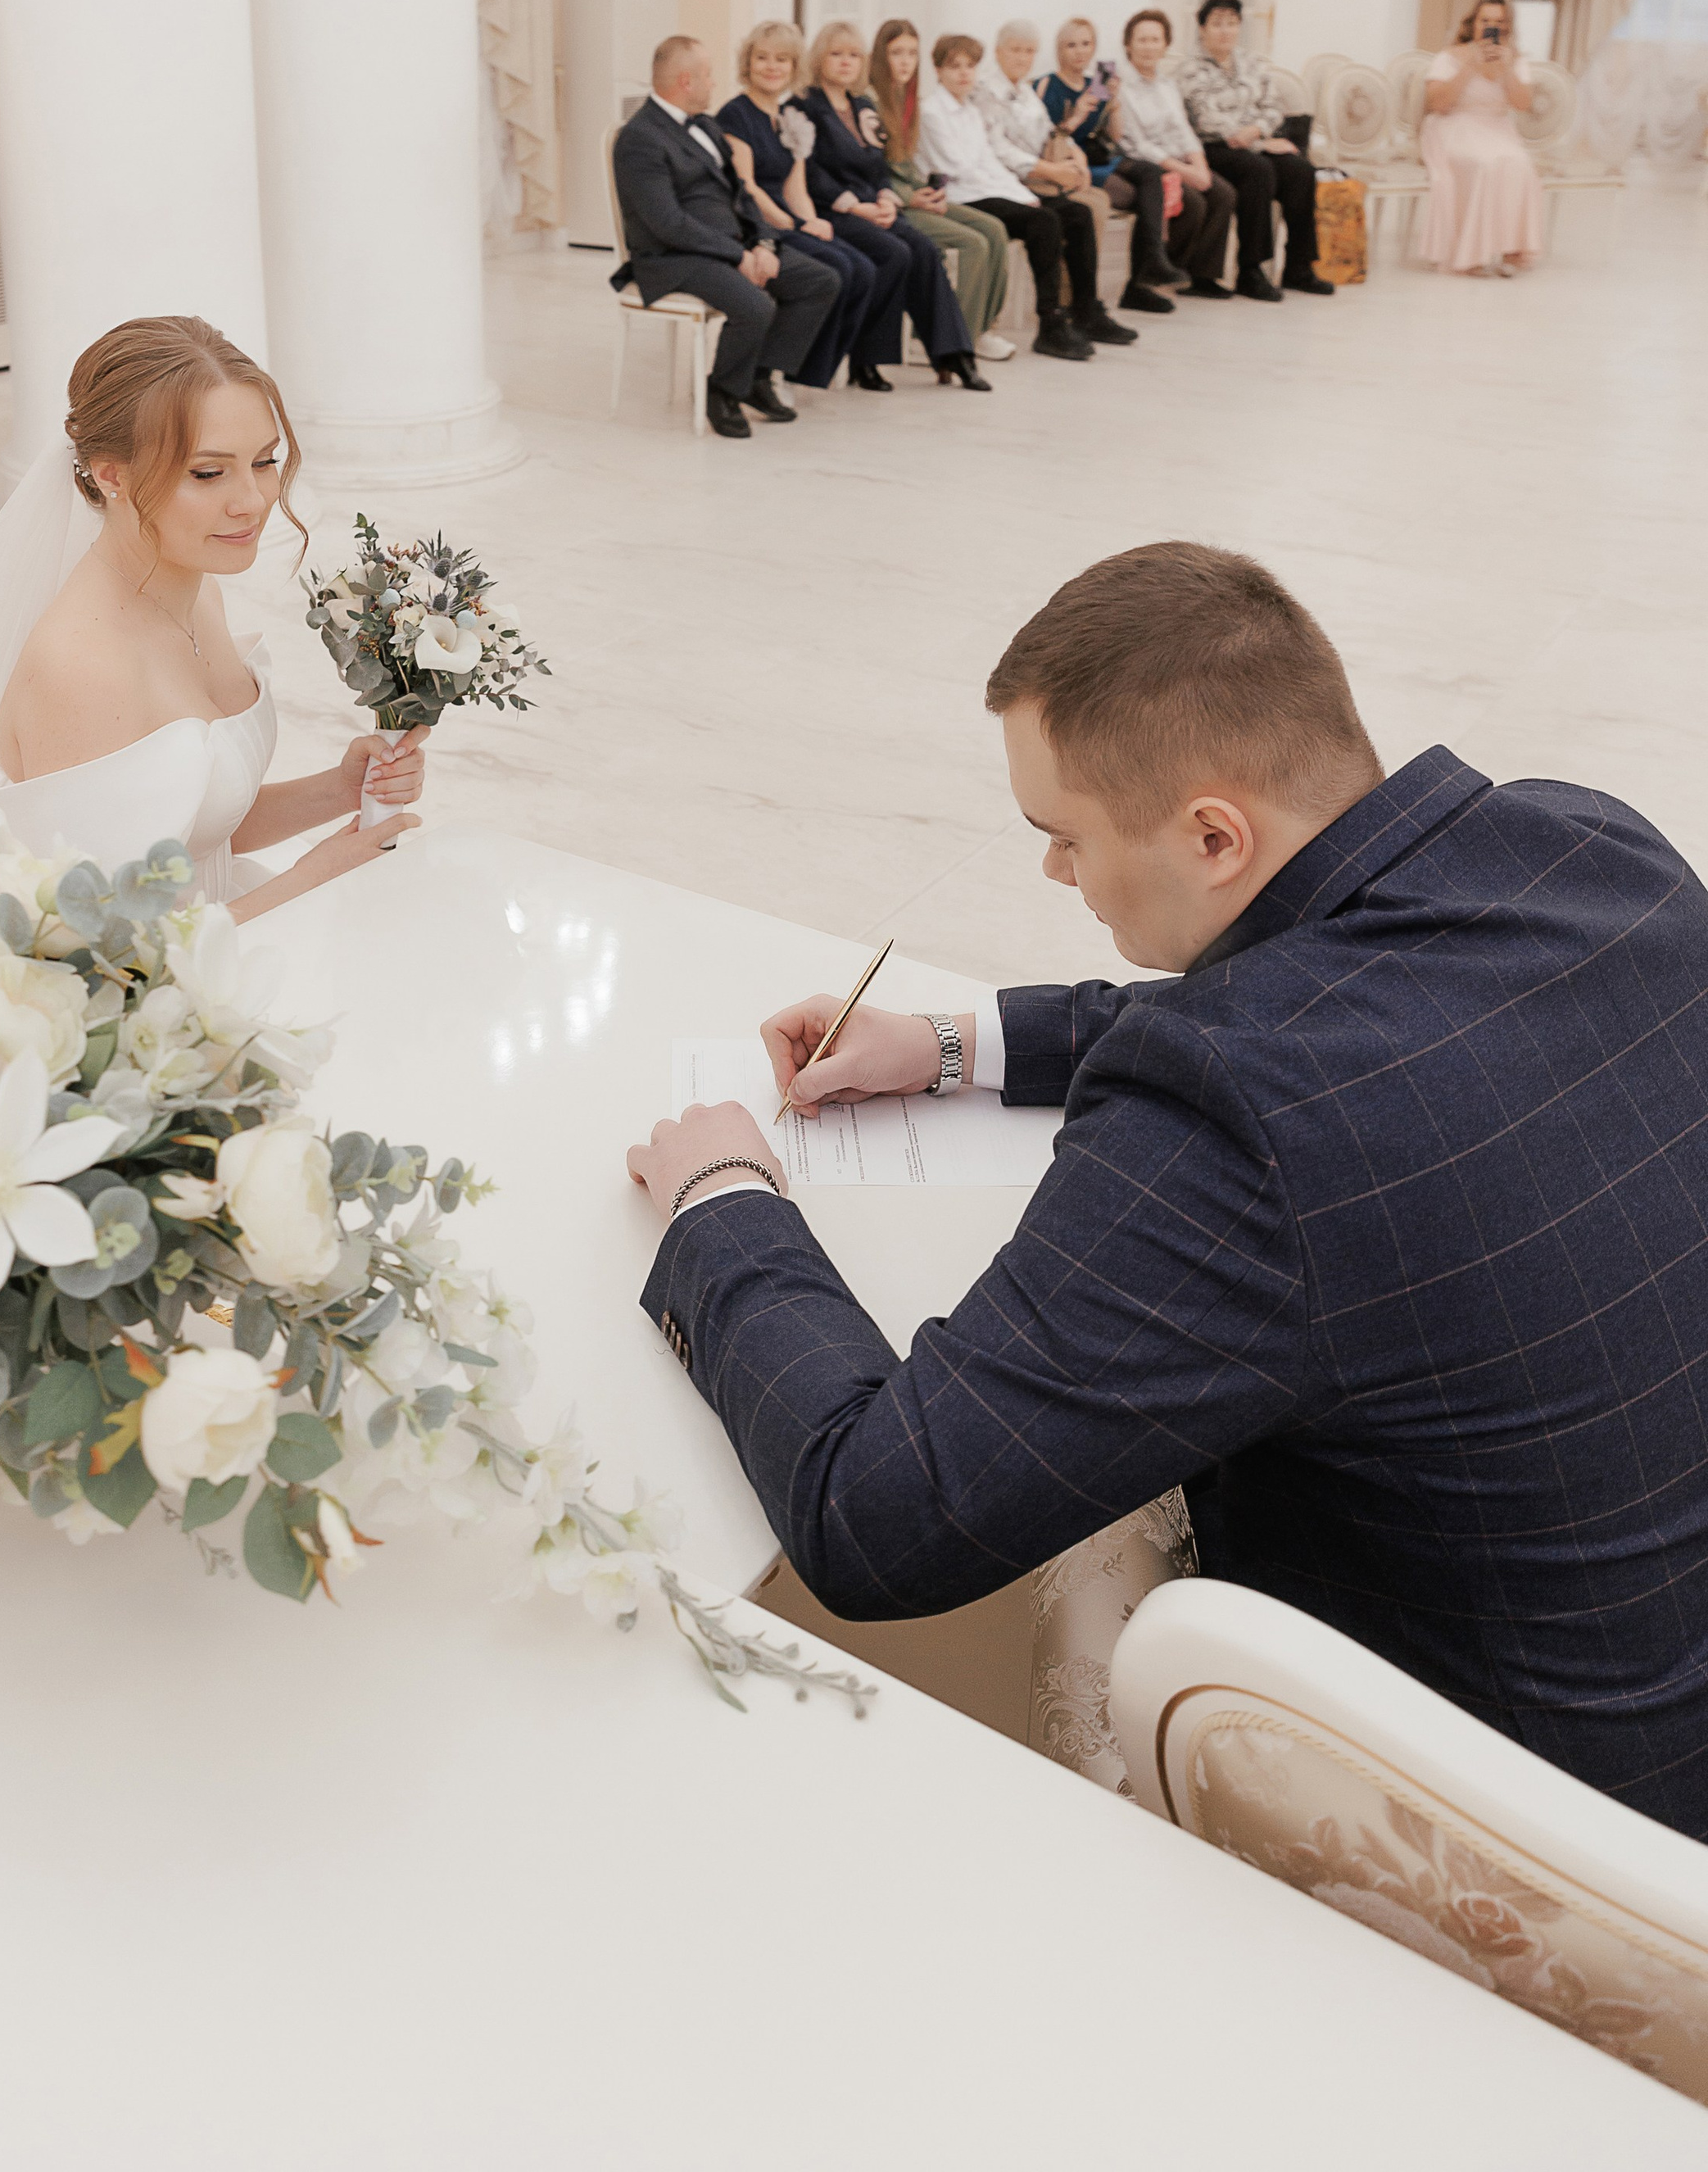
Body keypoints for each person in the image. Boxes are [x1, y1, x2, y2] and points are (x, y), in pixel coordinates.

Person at [627, 540, 1708, 1839]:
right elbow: (1353, 1007)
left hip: (1536, 1812)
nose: (1055, 875)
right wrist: (960, 1044)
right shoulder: (1587, 851)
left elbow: (876, 1520)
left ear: (1211, 834)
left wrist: (725, 1198)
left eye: (1064, 836)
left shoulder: (1231, 1120)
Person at [0, 315, 424, 915]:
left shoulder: (198, 596)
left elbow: (184, 837)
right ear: (111, 475)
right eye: (207, 472)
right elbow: (110, 949)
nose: (252, 501)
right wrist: (312, 876)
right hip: (164, 980)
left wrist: (337, 790)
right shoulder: (82, 670)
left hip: (224, 921)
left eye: (263, 461)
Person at [609, 34, 838, 438]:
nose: (715, 84)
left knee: (819, 280)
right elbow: (668, 224)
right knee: (755, 306)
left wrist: (763, 243)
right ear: (685, 81)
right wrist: (737, 256)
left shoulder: (707, 126)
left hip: (728, 245)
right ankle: (722, 391)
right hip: (673, 257)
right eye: (708, 75)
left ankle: (755, 376)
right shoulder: (640, 138)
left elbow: (742, 195)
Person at [916, 36, 1136, 362]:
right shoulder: (933, 112)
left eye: (970, 66)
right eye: (954, 67)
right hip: (962, 197)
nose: (964, 74)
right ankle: (1050, 322)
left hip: (992, 188)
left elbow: (988, 160)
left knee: (1077, 214)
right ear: (937, 70)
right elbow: (960, 168)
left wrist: (1021, 195)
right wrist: (1019, 197)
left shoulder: (969, 110)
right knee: (1043, 221)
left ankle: (1087, 309)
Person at [799, 20, 987, 392]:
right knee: (895, 253)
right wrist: (856, 206)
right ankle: (866, 358)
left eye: (853, 55)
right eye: (836, 54)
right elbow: (810, 172)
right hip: (831, 209)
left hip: (873, 205)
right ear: (819, 58)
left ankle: (953, 352)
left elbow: (878, 165)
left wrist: (885, 196)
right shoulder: (805, 106)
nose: (845, 62)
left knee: (923, 250)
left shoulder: (863, 106)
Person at [716, 21, 887, 393]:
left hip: (787, 219)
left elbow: (796, 186)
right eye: (762, 58)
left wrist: (810, 219)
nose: (772, 67)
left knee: (864, 269)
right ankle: (771, 371)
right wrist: (793, 224)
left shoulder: (790, 118)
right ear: (748, 63)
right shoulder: (736, 115)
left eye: (782, 60)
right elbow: (746, 188)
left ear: (795, 68)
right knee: (838, 267)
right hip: (754, 223)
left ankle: (806, 368)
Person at [864, 18, 1017, 363]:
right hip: (885, 201)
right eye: (896, 53)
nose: (905, 61)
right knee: (973, 243)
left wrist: (924, 192)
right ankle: (945, 338)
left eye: (912, 54)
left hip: (909, 193)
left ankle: (977, 330)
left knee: (994, 229)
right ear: (879, 56)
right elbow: (873, 173)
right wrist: (909, 197)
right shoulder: (870, 102)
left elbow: (906, 168)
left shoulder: (907, 101)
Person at [1180, 0, 1332, 297]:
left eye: (1232, 24)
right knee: (1258, 170)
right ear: (1202, 29)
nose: (1225, 31)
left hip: (1254, 142)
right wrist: (1255, 141)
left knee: (1300, 170)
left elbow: (1273, 107)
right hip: (1212, 148)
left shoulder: (1252, 64)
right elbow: (1205, 119)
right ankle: (1251, 269)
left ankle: (1298, 268)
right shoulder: (1191, 69)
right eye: (1217, 24)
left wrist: (1258, 132)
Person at [1035, 16, 1183, 313]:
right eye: (1071, 45)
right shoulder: (1047, 85)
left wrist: (1114, 103)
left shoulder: (1096, 83)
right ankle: (1142, 278)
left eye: (1086, 44)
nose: (1080, 52)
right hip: (1068, 161)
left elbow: (1114, 135)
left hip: (1097, 156)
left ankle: (1151, 262)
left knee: (1151, 172)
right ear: (1059, 50)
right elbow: (1043, 139)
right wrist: (1076, 116)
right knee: (1138, 195)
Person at [1108, 8, 1239, 300]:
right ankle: (1153, 276)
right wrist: (1184, 171)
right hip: (1142, 162)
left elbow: (1183, 130)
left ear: (1166, 45)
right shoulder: (1120, 86)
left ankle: (1200, 276)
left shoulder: (1167, 85)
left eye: (1156, 40)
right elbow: (1135, 143)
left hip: (1177, 158)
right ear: (1128, 45)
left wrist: (1199, 164)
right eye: (1142, 40)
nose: (1149, 47)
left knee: (1223, 193)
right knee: (1190, 202)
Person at [1420, 0, 1545, 275]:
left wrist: (1507, 69)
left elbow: (1523, 105)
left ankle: (1509, 250)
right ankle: (1471, 255)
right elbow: (1438, 104)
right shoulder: (1450, 56)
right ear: (1473, 23)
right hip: (1454, 126)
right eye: (1485, 20)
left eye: (1499, 22)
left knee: (1519, 164)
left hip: (1497, 129)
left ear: (1507, 26)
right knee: (1483, 165)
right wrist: (1472, 66)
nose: (1492, 26)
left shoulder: (1514, 59)